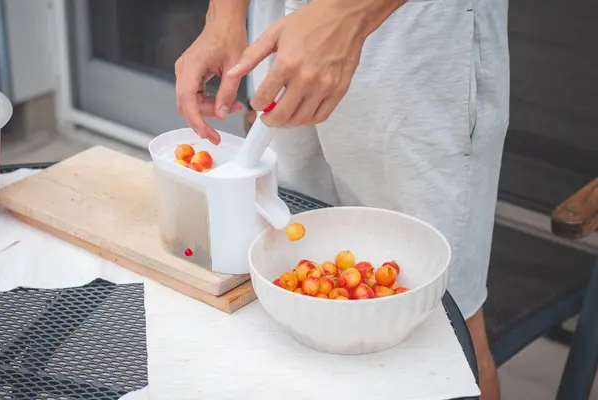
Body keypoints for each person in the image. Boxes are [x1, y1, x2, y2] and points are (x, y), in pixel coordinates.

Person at [175, 0, 509, 398]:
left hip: (413, 41)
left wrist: (347, 13)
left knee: (449, 335)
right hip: (286, 30)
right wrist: (224, 16)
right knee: (295, 294)